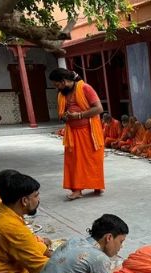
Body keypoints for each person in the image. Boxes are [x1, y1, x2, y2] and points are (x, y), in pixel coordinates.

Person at [49, 68, 105, 200]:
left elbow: (99, 109)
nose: (57, 88)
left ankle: (96, 184)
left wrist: (79, 115)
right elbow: (61, 113)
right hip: (72, 133)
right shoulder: (62, 94)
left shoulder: (85, 88)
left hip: (89, 133)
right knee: (74, 162)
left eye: (57, 85)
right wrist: (65, 117)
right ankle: (77, 190)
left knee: (92, 160)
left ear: (64, 81)